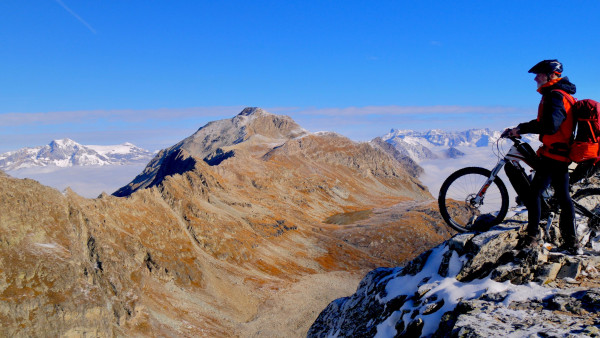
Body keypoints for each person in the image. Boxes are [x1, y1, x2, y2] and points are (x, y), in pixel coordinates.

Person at [504, 59, 581, 254]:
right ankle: (572, 242)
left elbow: (550, 125)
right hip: (562, 153)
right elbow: (546, 122)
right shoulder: (563, 94)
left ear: (550, 75)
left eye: (539, 74)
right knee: (564, 197)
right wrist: (520, 128)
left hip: (553, 154)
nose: (535, 78)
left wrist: (521, 129)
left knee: (534, 193)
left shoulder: (554, 96)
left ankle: (532, 236)